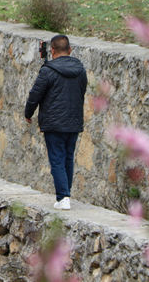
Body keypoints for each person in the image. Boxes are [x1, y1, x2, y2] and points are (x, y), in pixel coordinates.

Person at [24, 34, 88, 211]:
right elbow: (82, 92)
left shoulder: (48, 71)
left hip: (54, 123)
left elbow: (35, 94)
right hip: (74, 121)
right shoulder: (80, 69)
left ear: (51, 51)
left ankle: (63, 197)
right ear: (69, 50)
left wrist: (29, 113)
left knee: (57, 160)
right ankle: (66, 193)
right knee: (68, 158)